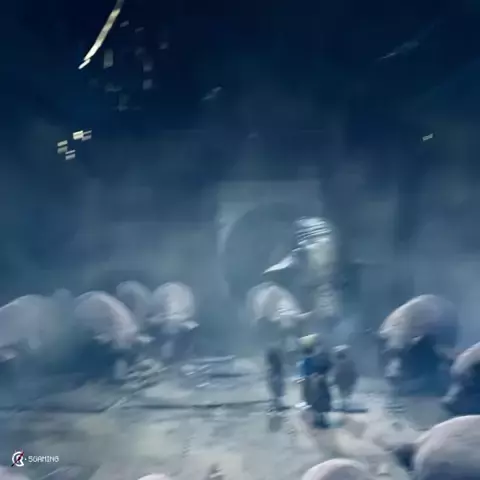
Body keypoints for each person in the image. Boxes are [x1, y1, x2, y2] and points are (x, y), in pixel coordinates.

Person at [265, 345, 286, 412]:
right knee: (277, 394)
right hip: (276, 377)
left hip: (275, 377)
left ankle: (276, 404)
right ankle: (277, 404)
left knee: (276, 394)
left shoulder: (271, 370)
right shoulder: (276, 368)